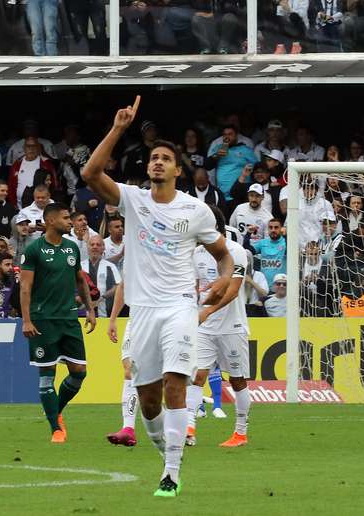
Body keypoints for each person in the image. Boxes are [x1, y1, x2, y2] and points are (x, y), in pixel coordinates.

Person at [81, 96, 233, 497]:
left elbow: (223, 256)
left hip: (180, 307)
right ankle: (165, 449)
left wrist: (224, 278)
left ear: (178, 170)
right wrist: (118, 129)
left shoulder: (195, 210)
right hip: (143, 311)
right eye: (154, 157)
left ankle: (171, 472)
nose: (158, 162)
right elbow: (90, 172)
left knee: (174, 385)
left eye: (166, 158)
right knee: (148, 400)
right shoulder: (132, 199)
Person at [20, 202, 96, 444]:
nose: (70, 222)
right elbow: (25, 287)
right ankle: (56, 429)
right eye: (65, 218)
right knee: (47, 375)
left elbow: (81, 281)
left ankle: (55, 410)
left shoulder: (72, 248)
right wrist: (27, 320)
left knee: (79, 373)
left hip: (69, 318)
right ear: (51, 221)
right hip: (43, 320)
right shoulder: (34, 250)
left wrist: (90, 310)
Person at [186, 205, 252, 447]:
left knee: (237, 380)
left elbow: (233, 291)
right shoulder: (196, 253)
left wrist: (208, 310)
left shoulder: (236, 251)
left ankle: (240, 433)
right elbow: (193, 287)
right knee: (196, 377)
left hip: (231, 327)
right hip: (203, 327)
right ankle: (189, 428)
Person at [106, 279, 139, 447]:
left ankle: (183, 427)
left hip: (165, 322)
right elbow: (124, 285)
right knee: (129, 371)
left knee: (165, 379)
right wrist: (113, 319)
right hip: (136, 322)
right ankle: (128, 429)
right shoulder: (135, 255)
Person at [81, 235, 120, 318]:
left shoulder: (110, 266)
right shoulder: (80, 267)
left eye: (98, 245)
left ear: (103, 248)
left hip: (104, 313)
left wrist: (101, 298)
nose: (95, 247)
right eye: (92, 244)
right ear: (87, 248)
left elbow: (118, 286)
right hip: (82, 312)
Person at [248, 218, 286, 290]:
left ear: (281, 229)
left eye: (276, 227)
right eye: (270, 227)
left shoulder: (285, 242)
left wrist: (285, 236)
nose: (273, 230)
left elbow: (289, 250)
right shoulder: (262, 242)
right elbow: (247, 250)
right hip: (264, 287)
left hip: (281, 287)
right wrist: (248, 233)